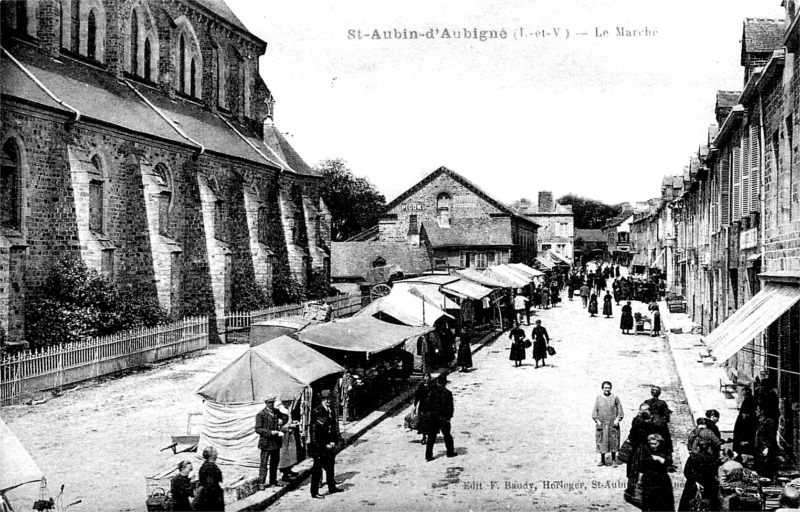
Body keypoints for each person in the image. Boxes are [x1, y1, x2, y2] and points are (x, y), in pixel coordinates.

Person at [309, 390, 343, 499]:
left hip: (329, 445)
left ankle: (332, 487)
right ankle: (314, 492)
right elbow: (316, 436)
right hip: (319, 447)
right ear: (322, 400)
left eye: (329, 399)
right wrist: (324, 445)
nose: (328, 401)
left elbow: (332, 428)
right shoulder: (317, 411)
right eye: (325, 399)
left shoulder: (330, 409)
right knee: (317, 471)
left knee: (330, 468)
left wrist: (334, 441)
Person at [625, 404, 659, 506]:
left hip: (636, 450)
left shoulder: (636, 421)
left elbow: (631, 436)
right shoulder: (651, 425)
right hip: (645, 450)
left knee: (634, 470)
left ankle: (632, 490)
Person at [677, 439, 720, 512]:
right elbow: (714, 473)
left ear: (698, 447)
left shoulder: (692, 457)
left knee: (686, 506)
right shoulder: (713, 459)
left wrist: (695, 481)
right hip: (708, 485)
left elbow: (686, 472)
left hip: (692, 484)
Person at [421, 378, 456, 462]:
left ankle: (428, 455)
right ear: (445, 383)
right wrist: (448, 418)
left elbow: (426, 403)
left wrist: (427, 414)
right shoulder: (447, 393)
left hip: (433, 417)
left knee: (431, 437)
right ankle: (450, 452)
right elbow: (450, 407)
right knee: (447, 435)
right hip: (443, 417)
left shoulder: (432, 392)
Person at [639, 433, 675, 512]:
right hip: (649, 480)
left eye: (655, 444)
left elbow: (669, 462)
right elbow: (641, 465)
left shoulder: (665, 450)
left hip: (662, 480)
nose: (653, 446)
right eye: (651, 444)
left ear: (660, 442)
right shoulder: (645, 450)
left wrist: (659, 459)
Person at [592, 381, 624, 467]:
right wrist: (597, 420)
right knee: (602, 441)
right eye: (605, 388)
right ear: (602, 388)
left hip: (612, 424)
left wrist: (617, 419)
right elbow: (595, 411)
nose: (607, 389)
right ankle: (602, 460)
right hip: (602, 424)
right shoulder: (598, 398)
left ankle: (613, 460)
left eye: (609, 388)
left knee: (613, 441)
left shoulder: (615, 398)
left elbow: (620, 410)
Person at [255, 398, 284, 489]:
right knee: (264, 463)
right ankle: (261, 482)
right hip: (266, 443)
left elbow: (285, 417)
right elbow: (258, 429)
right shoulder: (261, 414)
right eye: (269, 403)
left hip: (275, 442)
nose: (271, 404)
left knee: (274, 463)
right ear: (266, 403)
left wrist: (282, 421)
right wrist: (270, 432)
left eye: (272, 402)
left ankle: (273, 481)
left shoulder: (276, 412)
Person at [277, 400, 302, 482]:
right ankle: (285, 474)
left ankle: (289, 469)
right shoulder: (281, 411)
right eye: (288, 402)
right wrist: (290, 426)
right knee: (285, 454)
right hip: (284, 436)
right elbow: (280, 426)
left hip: (289, 434)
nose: (289, 403)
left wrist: (292, 423)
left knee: (291, 453)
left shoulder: (287, 409)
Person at [194, 446, 224, 511]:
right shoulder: (210, 468)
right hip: (211, 499)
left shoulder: (206, 465)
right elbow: (211, 485)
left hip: (208, 497)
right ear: (211, 454)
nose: (217, 454)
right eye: (215, 452)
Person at [754, 404, 778, 480]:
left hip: (765, 448)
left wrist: (767, 447)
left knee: (766, 466)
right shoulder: (761, 421)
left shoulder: (769, 422)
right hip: (760, 447)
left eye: (757, 410)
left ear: (762, 411)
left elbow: (771, 436)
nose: (756, 411)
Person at [734, 388, 758, 458]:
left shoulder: (749, 400)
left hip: (746, 425)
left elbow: (746, 413)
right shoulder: (748, 399)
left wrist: (745, 416)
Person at [414, 374, 433, 444]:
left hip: (430, 407)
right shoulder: (421, 386)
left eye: (427, 380)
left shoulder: (433, 386)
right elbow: (417, 396)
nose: (426, 381)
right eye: (425, 380)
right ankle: (424, 436)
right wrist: (415, 405)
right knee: (422, 422)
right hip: (422, 406)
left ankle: (429, 435)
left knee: (430, 422)